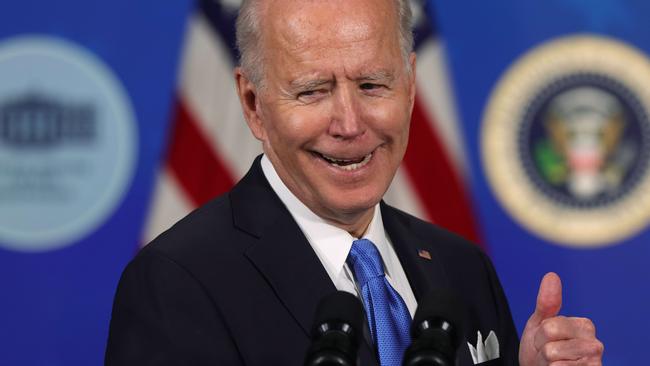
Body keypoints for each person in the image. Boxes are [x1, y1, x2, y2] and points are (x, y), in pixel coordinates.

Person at [105, 0, 604, 365]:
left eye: (372, 85)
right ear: (253, 104)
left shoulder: (461, 266)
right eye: (312, 90)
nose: (349, 124)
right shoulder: (175, 284)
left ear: (409, 86)